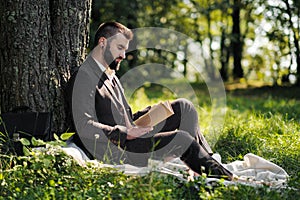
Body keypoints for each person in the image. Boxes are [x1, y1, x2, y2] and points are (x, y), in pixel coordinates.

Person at [66, 21, 234, 180]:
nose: (124, 55)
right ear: (103, 42)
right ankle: (225, 179)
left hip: (132, 134)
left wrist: (153, 113)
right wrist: (124, 132)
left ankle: (204, 160)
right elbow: (83, 125)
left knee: (184, 107)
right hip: (117, 149)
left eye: (125, 49)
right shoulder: (84, 77)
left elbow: (127, 115)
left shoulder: (111, 75)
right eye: (120, 48)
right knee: (181, 139)